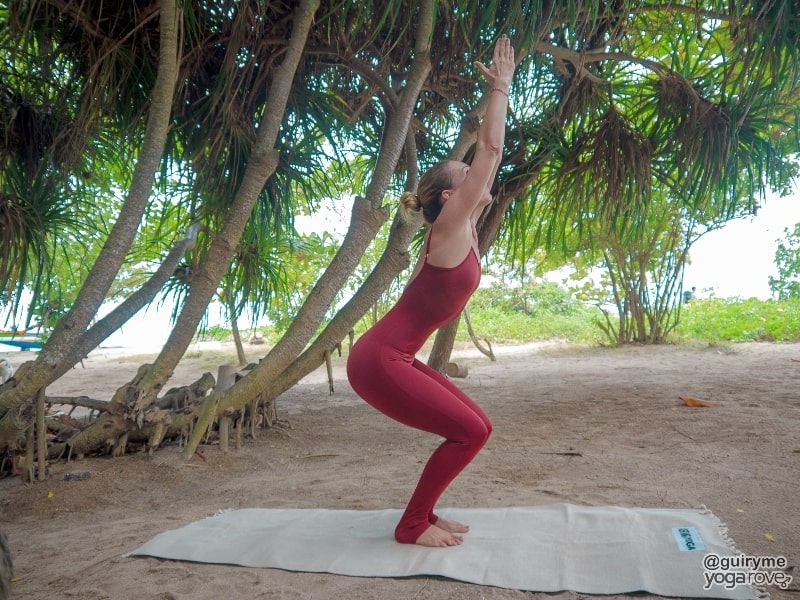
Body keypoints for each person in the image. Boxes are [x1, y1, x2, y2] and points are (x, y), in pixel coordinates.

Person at [346, 35, 516, 548]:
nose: (479, 177)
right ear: (450, 196)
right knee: (473, 432)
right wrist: (501, 89)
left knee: (477, 424)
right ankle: (412, 525)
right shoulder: (445, 231)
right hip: (379, 360)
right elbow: (490, 147)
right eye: (466, 178)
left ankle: (425, 512)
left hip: (394, 355)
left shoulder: (461, 232)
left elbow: (485, 162)